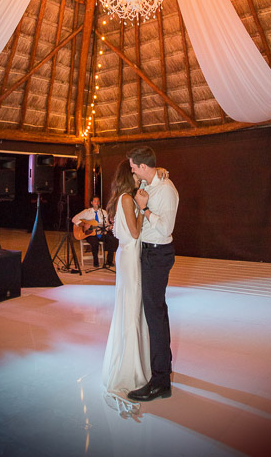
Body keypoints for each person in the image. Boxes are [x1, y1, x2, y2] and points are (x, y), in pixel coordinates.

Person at [126, 146, 179, 403]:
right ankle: (162, 373)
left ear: (143, 166)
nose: (132, 170)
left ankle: (159, 382)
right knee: (157, 314)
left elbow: (166, 227)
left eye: (134, 166)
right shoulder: (149, 186)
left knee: (155, 317)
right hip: (150, 254)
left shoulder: (166, 190)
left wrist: (144, 209)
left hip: (157, 255)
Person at [102, 160, 151, 411]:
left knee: (129, 306)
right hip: (131, 256)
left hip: (125, 256)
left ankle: (131, 362)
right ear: (126, 175)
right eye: (133, 172)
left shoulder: (121, 198)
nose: (136, 175)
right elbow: (134, 233)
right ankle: (130, 371)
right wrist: (143, 210)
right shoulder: (127, 200)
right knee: (132, 308)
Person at [72, 195, 118, 267]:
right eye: (95, 201)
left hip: (101, 233)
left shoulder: (104, 212)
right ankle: (96, 262)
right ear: (91, 203)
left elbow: (106, 224)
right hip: (90, 234)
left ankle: (109, 261)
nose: (97, 203)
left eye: (98, 201)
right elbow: (74, 219)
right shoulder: (87, 212)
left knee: (112, 239)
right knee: (95, 242)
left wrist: (110, 227)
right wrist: (84, 224)